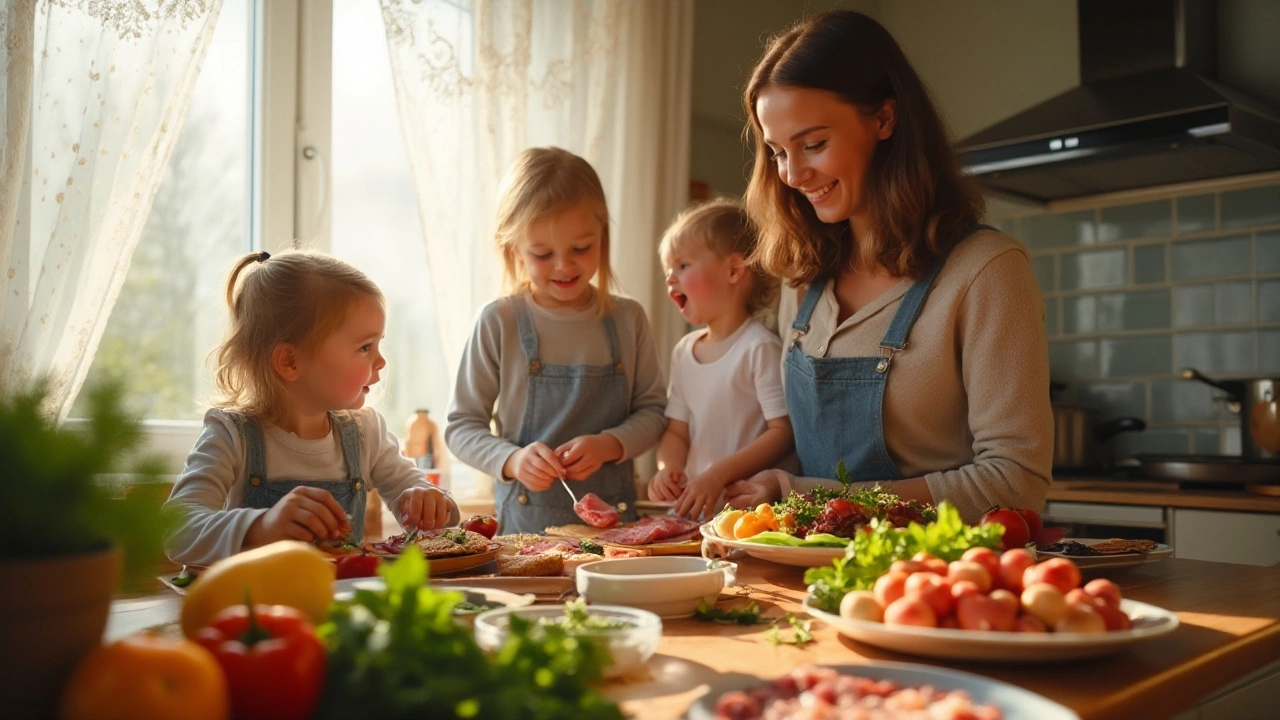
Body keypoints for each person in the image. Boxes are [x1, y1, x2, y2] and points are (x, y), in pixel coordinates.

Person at [724, 10, 1053, 523]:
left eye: (813, 144)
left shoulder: (987, 271)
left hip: (927, 587)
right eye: (776, 152)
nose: (792, 174)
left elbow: (1016, 484)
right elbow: (801, 453)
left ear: (883, 118)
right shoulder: (804, 281)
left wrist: (803, 495)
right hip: (806, 580)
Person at [164, 251, 458, 566]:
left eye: (378, 344)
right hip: (258, 607)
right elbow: (176, 530)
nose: (381, 361)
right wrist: (262, 526)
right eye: (364, 347)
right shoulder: (232, 435)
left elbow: (444, 512)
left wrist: (427, 502)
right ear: (290, 362)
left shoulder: (366, 432)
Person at [446, 147, 667, 534]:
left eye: (581, 248)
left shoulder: (628, 319)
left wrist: (609, 444)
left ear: (603, 235)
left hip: (616, 534)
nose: (564, 266)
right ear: (513, 248)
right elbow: (461, 427)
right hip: (524, 533)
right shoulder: (499, 321)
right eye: (543, 253)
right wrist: (512, 460)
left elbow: (654, 413)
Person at [647, 199, 795, 521]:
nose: (671, 278)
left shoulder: (759, 349)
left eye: (683, 265)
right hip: (694, 516)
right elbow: (676, 433)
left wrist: (718, 475)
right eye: (668, 270)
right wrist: (668, 468)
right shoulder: (683, 352)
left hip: (747, 517)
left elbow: (782, 433)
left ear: (733, 270)